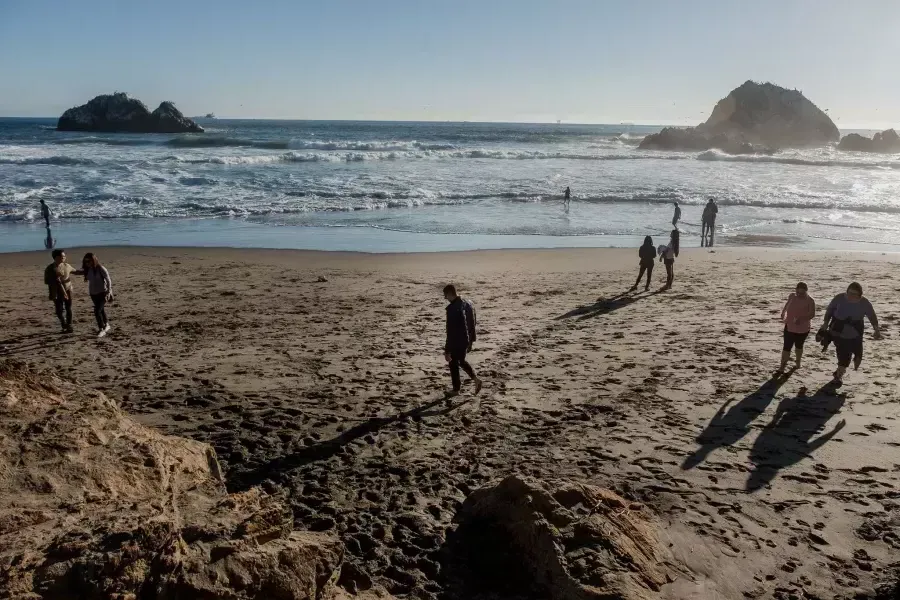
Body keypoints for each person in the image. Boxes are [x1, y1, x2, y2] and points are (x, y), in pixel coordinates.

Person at [819, 282, 881, 387]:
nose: (851, 296)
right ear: (846, 292)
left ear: (860, 295)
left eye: (855, 294)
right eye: (850, 293)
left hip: (854, 333)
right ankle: (839, 372)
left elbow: (872, 316)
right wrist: (825, 323)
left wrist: (876, 329)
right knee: (841, 351)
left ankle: (838, 375)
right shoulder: (839, 298)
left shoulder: (864, 302)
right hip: (837, 330)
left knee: (849, 354)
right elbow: (830, 310)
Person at [443, 284, 483, 397]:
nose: (445, 298)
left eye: (445, 295)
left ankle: (457, 389)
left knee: (453, 363)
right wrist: (470, 341)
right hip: (466, 340)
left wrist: (447, 350)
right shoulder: (467, 303)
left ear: (450, 293)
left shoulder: (453, 309)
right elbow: (473, 323)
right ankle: (475, 380)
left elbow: (450, 331)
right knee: (460, 361)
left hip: (458, 341)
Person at [778, 282, 815, 372]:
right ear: (796, 290)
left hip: (803, 329)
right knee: (786, 347)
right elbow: (787, 305)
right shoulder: (792, 296)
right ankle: (782, 366)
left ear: (806, 291)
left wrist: (802, 319)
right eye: (798, 292)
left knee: (799, 346)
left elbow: (812, 314)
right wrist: (783, 312)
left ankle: (798, 362)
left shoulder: (810, 300)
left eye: (802, 293)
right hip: (789, 326)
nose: (800, 295)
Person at [78, 252, 113, 337]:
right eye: (86, 262)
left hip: (103, 293)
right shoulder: (87, 270)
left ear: (94, 260)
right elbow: (78, 272)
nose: (87, 263)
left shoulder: (101, 268)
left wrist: (109, 292)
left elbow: (108, 280)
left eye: (89, 261)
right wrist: (68, 270)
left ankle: (101, 329)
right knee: (101, 310)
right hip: (93, 294)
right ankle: (107, 324)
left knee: (97, 311)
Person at [44, 249, 76, 333]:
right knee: (59, 310)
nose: (64, 258)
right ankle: (63, 323)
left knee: (68, 308)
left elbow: (75, 271)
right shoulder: (50, 268)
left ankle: (69, 325)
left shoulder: (67, 266)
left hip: (68, 289)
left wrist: (87, 271)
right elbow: (46, 281)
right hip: (56, 292)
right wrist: (55, 279)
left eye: (64, 256)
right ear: (56, 257)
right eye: (62, 256)